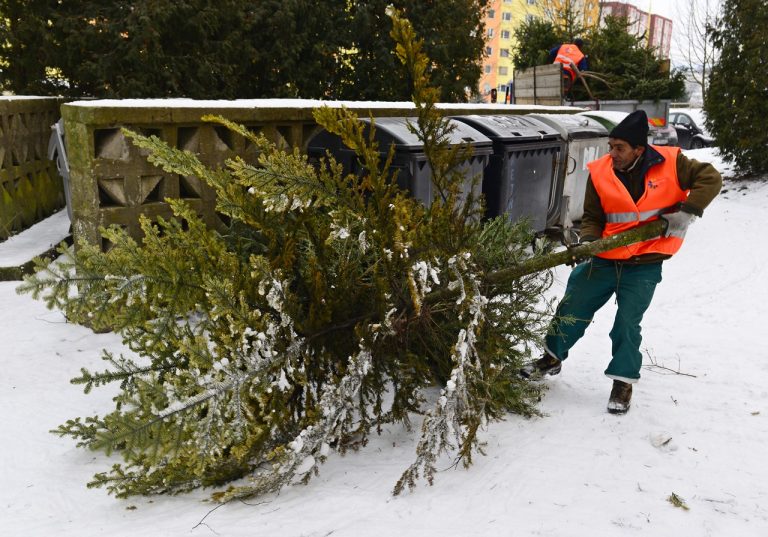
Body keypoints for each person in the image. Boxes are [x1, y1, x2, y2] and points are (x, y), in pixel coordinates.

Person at [520, 110, 722, 414]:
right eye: (610, 146)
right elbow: (592, 217)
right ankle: (551, 357)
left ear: (638, 149)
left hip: (646, 262)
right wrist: (588, 242)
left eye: (619, 148)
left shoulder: (673, 163)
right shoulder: (600, 172)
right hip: (604, 258)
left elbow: (711, 177)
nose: (611, 153)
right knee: (573, 305)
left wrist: (687, 210)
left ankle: (622, 381)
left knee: (627, 323)